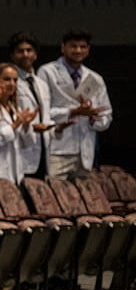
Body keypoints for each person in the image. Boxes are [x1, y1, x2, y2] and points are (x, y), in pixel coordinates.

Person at [37, 28, 112, 179]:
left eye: (83, 47)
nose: (78, 50)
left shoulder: (95, 78)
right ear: (63, 47)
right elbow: (41, 112)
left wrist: (92, 116)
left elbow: (107, 116)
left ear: (88, 50)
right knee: (53, 197)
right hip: (58, 149)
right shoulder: (47, 72)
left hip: (85, 152)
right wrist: (73, 112)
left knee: (82, 199)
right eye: (73, 46)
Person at [0, 63, 36, 184]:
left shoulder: (14, 108)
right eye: (6, 79)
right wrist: (14, 125)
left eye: (15, 80)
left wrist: (25, 125)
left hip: (16, 174)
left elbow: (28, 144)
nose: (12, 84)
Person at [9, 31, 54, 176]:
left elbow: (45, 114)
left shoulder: (42, 84)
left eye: (29, 50)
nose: (25, 54)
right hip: (21, 147)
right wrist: (31, 127)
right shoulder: (9, 83)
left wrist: (52, 127)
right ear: (12, 56)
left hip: (42, 150)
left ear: (35, 55)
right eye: (20, 51)